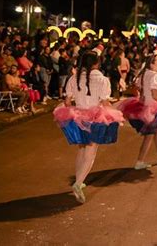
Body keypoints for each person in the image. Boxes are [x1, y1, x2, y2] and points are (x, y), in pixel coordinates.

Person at [53, 51, 125, 203]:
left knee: (82, 148)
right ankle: (78, 184)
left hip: (78, 116)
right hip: (95, 118)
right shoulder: (103, 80)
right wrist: (116, 111)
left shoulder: (74, 78)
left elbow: (67, 101)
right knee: (90, 152)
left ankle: (79, 179)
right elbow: (105, 103)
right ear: (96, 63)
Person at [116, 48, 157, 170]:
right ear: (151, 64)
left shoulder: (145, 73)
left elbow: (138, 88)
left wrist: (142, 97)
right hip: (153, 108)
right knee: (149, 135)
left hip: (145, 106)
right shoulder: (155, 77)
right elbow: (155, 95)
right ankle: (140, 161)